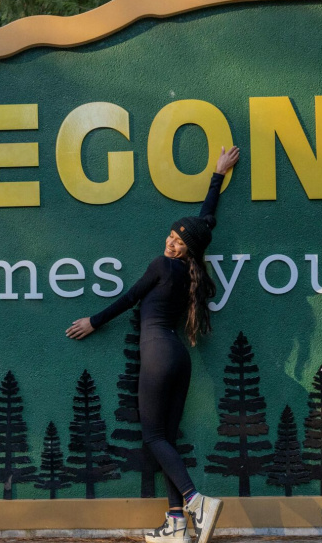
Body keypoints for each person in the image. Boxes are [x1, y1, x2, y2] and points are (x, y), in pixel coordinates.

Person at [66, 145, 240, 543]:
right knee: (167, 440)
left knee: (153, 437)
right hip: (179, 358)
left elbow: (130, 298)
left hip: (159, 356)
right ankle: (176, 524)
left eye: (179, 241)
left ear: (188, 249)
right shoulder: (189, 271)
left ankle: (197, 502)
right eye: (171, 236)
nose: (171, 243)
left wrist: (93, 321)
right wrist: (217, 175)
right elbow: (205, 221)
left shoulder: (162, 267)